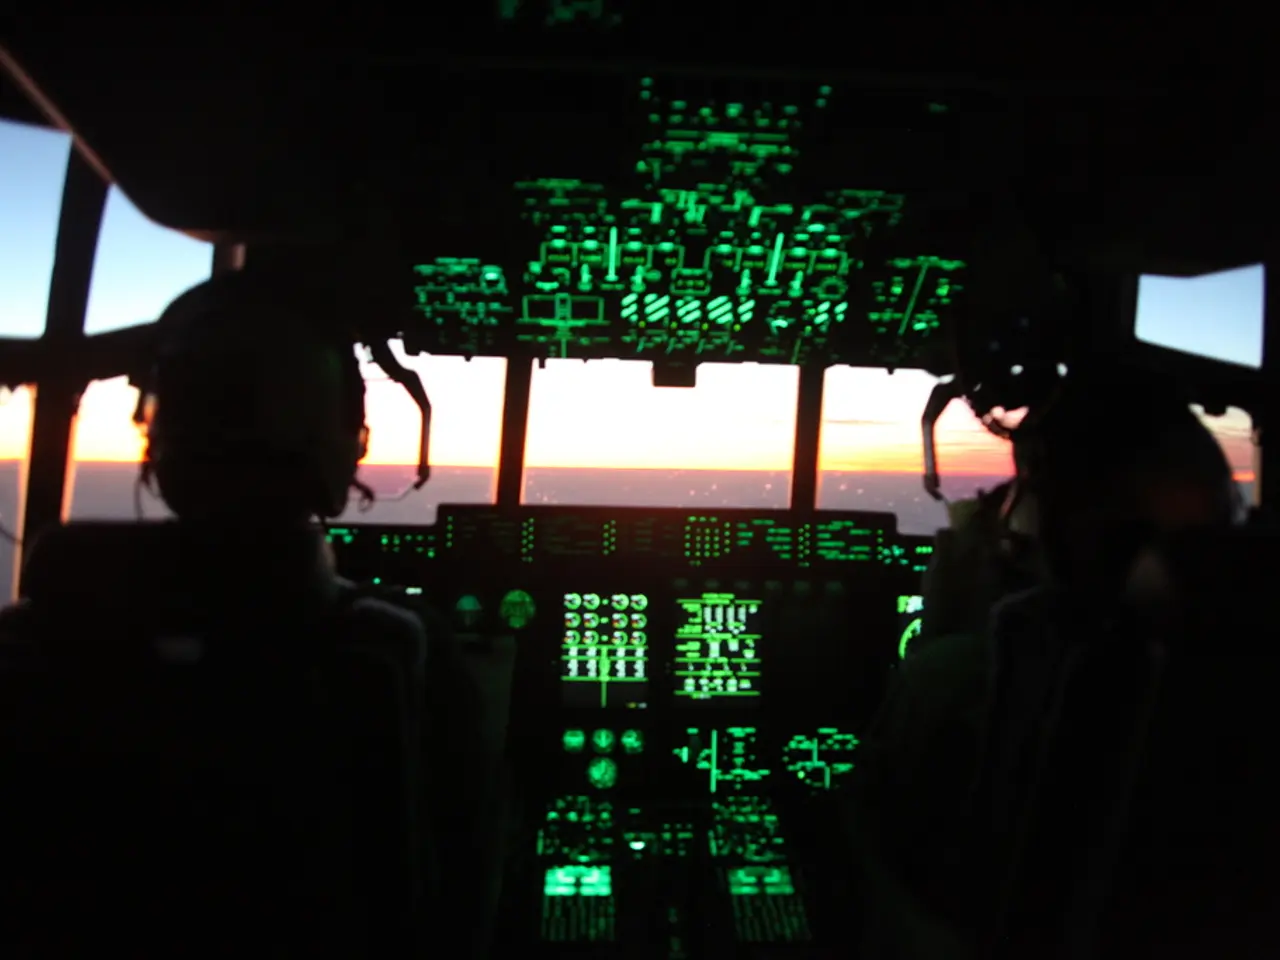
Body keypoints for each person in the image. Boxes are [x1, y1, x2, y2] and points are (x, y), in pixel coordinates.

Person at [143, 269, 506, 954]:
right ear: (347, 444)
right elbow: (465, 885)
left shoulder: (26, 648)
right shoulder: (399, 648)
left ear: (155, 441)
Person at [846, 363, 1241, 957]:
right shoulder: (1241, 665)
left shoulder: (975, 672)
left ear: (1043, 523)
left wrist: (943, 634)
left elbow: (880, 846)